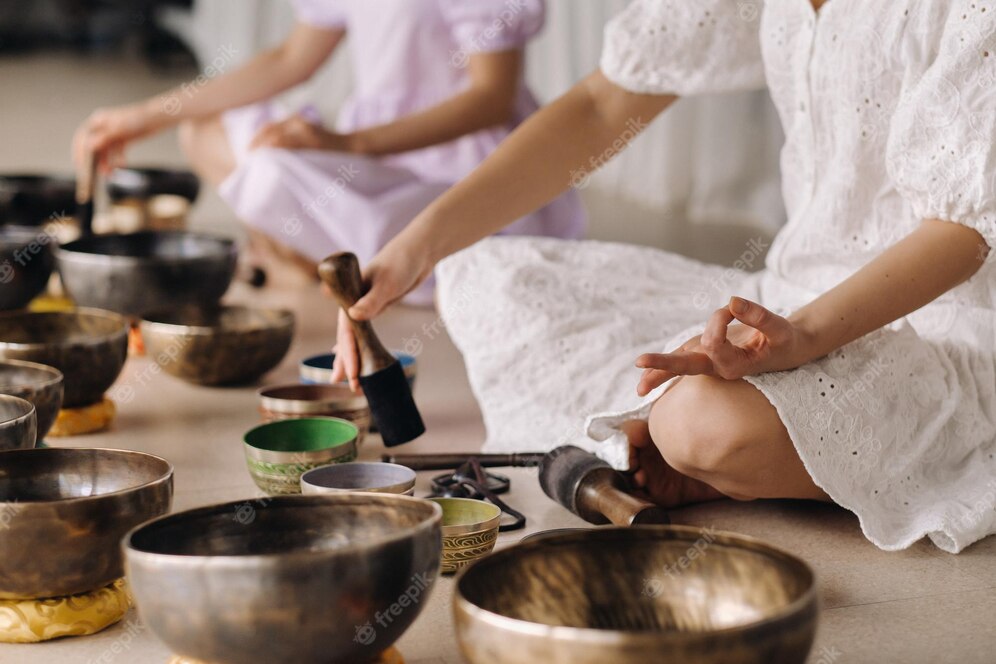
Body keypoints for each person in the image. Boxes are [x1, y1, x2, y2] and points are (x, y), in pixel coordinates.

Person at [333, 0, 996, 553]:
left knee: (701, 424)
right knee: (483, 275)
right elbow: (602, 105)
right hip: (784, 297)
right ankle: (725, 448)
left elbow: (965, 235)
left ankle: (709, 451)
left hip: (939, 329)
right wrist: (413, 248)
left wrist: (805, 338)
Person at [71, 0, 585, 296]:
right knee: (203, 129)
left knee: (271, 175)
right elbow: (289, 60)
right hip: (369, 166)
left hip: (463, 185)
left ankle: (335, 259)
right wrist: (142, 117)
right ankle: (319, 261)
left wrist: (343, 142)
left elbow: (491, 100)